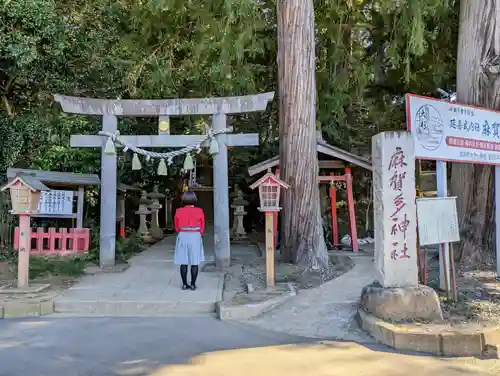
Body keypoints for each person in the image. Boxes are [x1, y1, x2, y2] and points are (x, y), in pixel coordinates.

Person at [173, 190, 205, 290]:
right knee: (194, 261)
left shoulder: (178, 211)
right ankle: (193, 284)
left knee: (183, 261)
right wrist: (200, 233)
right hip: (195, 235)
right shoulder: (199, 210)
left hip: (183, 234)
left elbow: (176, 226)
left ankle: (184, 284)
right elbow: (202, 224)